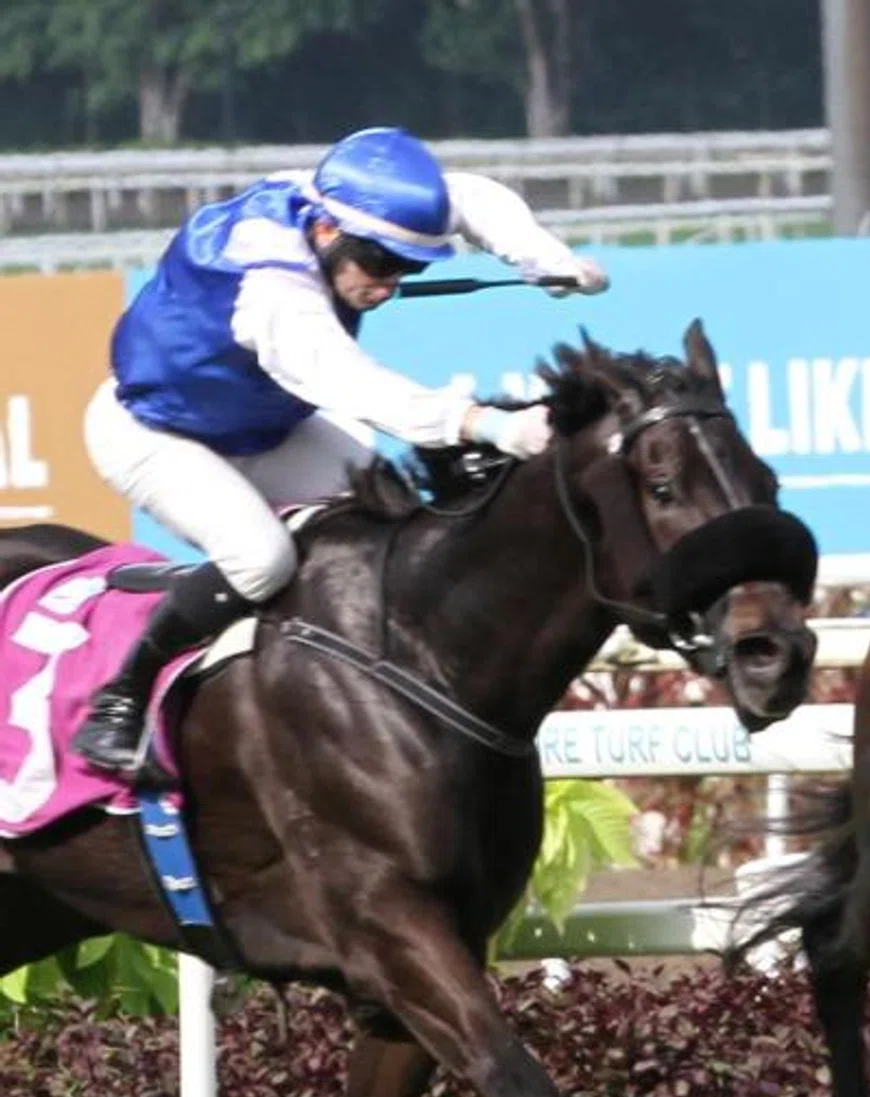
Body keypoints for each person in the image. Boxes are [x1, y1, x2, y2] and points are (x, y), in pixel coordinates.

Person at [72, 124, 610, 776]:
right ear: (327, 231)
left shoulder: (337, 201)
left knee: (391, 519)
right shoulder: (271, 290)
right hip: (153, 434)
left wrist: (541, 255)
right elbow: (353, 384)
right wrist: (485, 425)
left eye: (407, 268)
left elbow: (467, 197)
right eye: (379, 265)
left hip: (266, 430)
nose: (388, 286)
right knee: (260, 559)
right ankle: (123, 697)